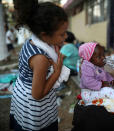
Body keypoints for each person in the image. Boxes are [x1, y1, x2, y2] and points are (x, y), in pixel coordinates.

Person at [10, 0, 69, 130]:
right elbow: (37, 95)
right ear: (44, 34)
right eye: (61, 34)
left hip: (22, 93)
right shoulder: (40, 58)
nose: (65, 37)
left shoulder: (34, 40)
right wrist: (57, 72)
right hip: (34, 106)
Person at [78, 42, 114, 113]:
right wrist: (102, 84)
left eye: (103, 55)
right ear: (89, 59)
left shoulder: (97, 65)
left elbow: (105, 75)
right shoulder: (86, 66)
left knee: (112, 88)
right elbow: (87, 81)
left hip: (96, 91)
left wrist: (111, 80)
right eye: (99, 57)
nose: (103, 58)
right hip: (88, 94)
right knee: (107, 91)